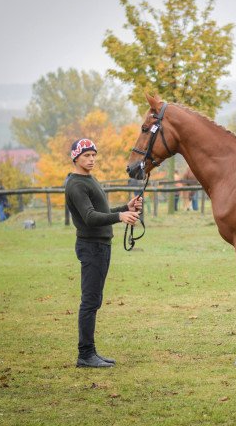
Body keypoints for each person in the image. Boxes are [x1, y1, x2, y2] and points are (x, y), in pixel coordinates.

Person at [65, 138, 142, 368]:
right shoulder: (76, 184)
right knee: (89, 301)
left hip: (101, 245)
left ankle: (90, 352)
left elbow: (102, 212)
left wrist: (124, 209)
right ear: (75, 157)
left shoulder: (89, 179)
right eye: (86, 156)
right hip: (91, 247)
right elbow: (89, 217)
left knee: (94, 300)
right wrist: (120, 217)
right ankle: (85, 354)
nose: (91, 159)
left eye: (93, 155)